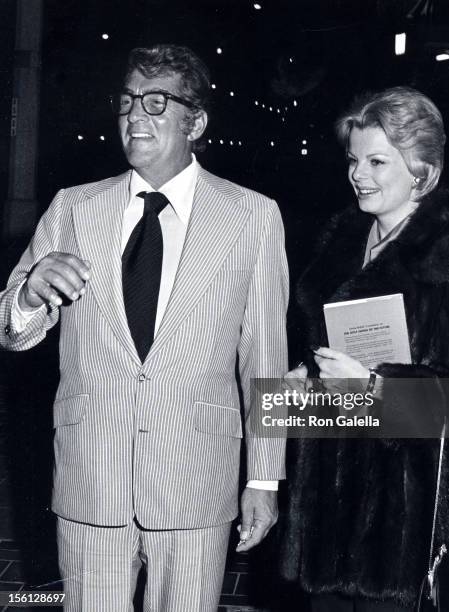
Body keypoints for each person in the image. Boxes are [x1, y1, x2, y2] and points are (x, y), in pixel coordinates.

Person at [0, 44, 288, 611]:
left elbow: (266, 358)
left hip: (195, 477)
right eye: (128, 101)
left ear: (196, 122)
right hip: (92, 476)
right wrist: (30, 291)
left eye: (157, 102)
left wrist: (264, 480)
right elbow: (14, 329)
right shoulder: (73, 208)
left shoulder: (252, 217)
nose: (135, 116)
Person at [280, 86, 449, 611]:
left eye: (377, 161)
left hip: (406, 528)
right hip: (327, 519)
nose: (358, 174)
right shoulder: (339, 244)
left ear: (422, 169)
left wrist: (375, 389)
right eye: (354, 160)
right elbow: (331, 381)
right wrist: (301, 384)